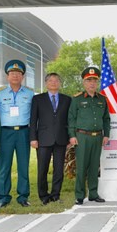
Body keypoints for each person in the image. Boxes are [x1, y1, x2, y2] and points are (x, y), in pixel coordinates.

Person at [68, 67, 110, 205]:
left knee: (94, 166)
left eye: (94, 81)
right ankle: (80, 195)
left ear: (97, 83)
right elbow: (71, 119)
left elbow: (106, 118)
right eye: (89, 80)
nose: (92, 83)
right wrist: (72, 136)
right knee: (81, 167)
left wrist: (106, 134)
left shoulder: (102, 99)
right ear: (84, 83)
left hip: (97, 136)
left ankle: (93, 193)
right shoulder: (77, 99)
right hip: (82, 137)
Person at [0, 60, 33, 208]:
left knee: (23, 166)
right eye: (12, 73)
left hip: (24, 132)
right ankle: (3, 197)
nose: (15, 76)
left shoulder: (29, 93)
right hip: (6, 133)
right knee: (5, 166)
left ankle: (23, 196)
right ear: (7, 76)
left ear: (22, 76)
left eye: (18, 73)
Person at [30, 73, 72, 205]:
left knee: (58, 169)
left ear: (60, 83)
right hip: (43, 139)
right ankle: (43, 195)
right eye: (51, 81)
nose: (54, 83)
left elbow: (69, 120)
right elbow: (33, 120)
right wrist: (33, 138)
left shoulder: (67, 99)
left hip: (61, 138)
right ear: (46, 83)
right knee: (42, 168)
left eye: (56, 80)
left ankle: (55, 194)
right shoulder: (38, 99)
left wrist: (70, 137)